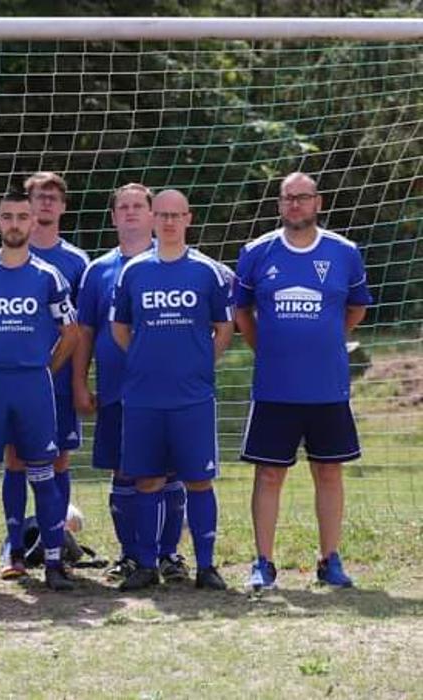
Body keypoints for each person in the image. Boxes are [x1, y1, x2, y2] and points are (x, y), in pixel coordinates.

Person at [236, 172, 371, 590]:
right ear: (279, 204)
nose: (295, 204)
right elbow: (242, 314)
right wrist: (270, 350)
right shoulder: (257, 252)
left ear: (318, 202)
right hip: (275, 387)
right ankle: (263, 562)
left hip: (327, 386)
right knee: (270, 474)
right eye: (287, 198)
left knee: (329, 471)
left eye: (303, 197)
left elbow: (355, 310)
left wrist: (326, 342)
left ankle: (330, 559)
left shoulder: (344, 252)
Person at [0, 191, 80, 593]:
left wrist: (44, 366)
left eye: (23, 216)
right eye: (8, 216)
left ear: (32, 221)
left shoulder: (48, 276)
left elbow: (70, 333)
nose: (16, 223)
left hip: (32, 384)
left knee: (43, 474)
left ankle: (54, 562)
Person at [110, 189, 233, 592]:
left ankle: (206, 566)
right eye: (161, 215)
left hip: (192, 398)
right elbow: (120, 329)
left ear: (188, 219)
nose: (167, 222)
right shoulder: (133, 271)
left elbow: (224, 327)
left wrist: (197, 363)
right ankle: (146, 565)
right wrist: (148, 360)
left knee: (199, 481)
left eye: (175, 215)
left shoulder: (207, 272)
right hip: (144, 397)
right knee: (146, 480)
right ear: (152, 219)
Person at [73, 183, 190, 583]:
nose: (130, 213)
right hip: (117, 391)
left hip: (169, 392)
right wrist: (79, 382)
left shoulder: (179, 265)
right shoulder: (97, 271)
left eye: (139, 206)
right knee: (123, 472)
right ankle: (130, 554)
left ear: (153, 213)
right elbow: (85, 332)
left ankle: (168, 554)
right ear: (113, 216)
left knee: (170, 471)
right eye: (122, 206)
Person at [0, 172, 91, 579]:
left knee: (56, 461)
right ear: (28, 205)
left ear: (64, 207)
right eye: (40, 197)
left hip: (56, 381)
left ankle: (56, 546)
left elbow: (81, 332)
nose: (47, 204)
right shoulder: (5, 258)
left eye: (54, 198)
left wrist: (74, 379)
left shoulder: (77, 262)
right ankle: (14, 549)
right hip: (14, 382)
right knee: (15, 460)